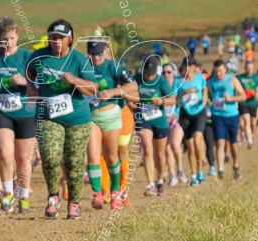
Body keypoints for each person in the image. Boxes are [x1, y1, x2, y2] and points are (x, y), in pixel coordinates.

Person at [26, 20, 97, 219]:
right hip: (49, 116)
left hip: (77, 118)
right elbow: (29, 71)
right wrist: (31, 86)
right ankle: (53, 196)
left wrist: (74, 80)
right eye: (53, 37)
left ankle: (73, 202)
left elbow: (93, 88)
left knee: (74, 162)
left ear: (70, 39)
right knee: (49, 155)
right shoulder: (39, 56)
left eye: (60, 38)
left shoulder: (78, 59)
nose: (56, 41)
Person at [0, 17, 37, 214]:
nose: (8, 43)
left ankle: (24, 196)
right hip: (0, 110)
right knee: (4, 153)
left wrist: (24, 81)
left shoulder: (27, 56)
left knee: (23, 158)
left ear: (17, 36)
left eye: (12, 38)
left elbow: (38, 84)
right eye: (4, 39)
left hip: (24, 111)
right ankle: (6, 194)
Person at [87, 40, 136, 211]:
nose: (95, 57)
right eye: (92, 54)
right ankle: (97, 194)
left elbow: (133, 86)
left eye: (99, 54)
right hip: (91, 116)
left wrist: (113, 92)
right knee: (93, 156)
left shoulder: (114, 67)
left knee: (112, 157)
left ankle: (115, 191)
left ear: (106, 51)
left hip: (112, 117)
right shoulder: (84, 68)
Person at [125, 56, 175, 197]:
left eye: (151, 74)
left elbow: (173, 99)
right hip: (142, 118)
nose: (148, 76)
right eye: (146, 73)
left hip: (159, 120)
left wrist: (162, 100)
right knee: (147, 148)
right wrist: (130, 103)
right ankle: (150, 184)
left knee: (160, 154)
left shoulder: (161, 81)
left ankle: (160, 181)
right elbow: (128, 94)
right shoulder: (137, 79)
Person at [207, 59, 247, 180]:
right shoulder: (210, 81)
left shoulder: (232, 80)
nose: (217, 73)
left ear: (225, 69)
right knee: (220, 142)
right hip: (217, 116)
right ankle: (220, 169)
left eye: (219, 71)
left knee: (233, 143)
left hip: (232, 116)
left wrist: (230, 99)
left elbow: (243, 96)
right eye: (215, 71)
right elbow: (209, 96)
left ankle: (235, 164)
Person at [175, 56, 208, 187]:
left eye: (190, 66)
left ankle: (200, 171)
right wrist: (184, 93)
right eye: (185, 66)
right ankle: (193, 174)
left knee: (197, 141)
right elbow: (175, 100)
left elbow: (205, 88)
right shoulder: (178, 82)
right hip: (185, 114)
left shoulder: (200, 78)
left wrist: (204, 99)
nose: (187, 69)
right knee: (190, 146)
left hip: (199, 112)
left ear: (194, 67)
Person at [161, 62, 186, 187]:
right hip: (164, 120)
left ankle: (180, 169)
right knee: (166, 148)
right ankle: (172, 175)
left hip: (177, 119)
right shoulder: (159, 86)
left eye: (169, 72)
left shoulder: (178, 84)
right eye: (164, 72)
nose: (166, 75)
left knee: (175, 145)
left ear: (174, 73)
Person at [236, 59, 258, 149]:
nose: (249, 70)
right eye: (248, 68)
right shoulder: (240, 77)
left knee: (253, 123)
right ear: (245, 68)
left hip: (254, 103)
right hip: (244, 103)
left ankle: (251, 135)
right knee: (246, 122)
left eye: (251, 68)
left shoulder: (256, 77)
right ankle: (249, 141)